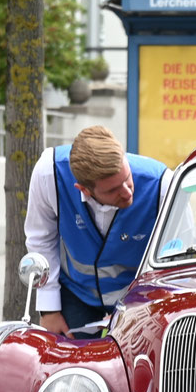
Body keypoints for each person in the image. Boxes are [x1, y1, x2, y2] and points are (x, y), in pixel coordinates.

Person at [25, 125, 168, 335]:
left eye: (127, 179)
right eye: (113, 190)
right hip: (76, 292)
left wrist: (137, 307)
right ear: (84, 189)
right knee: (68, 362)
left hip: (138, 295)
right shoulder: (49, 173)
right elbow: (41, 240)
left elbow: (175, 256)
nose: (128, 192)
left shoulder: (162, 184)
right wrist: (49, 310)